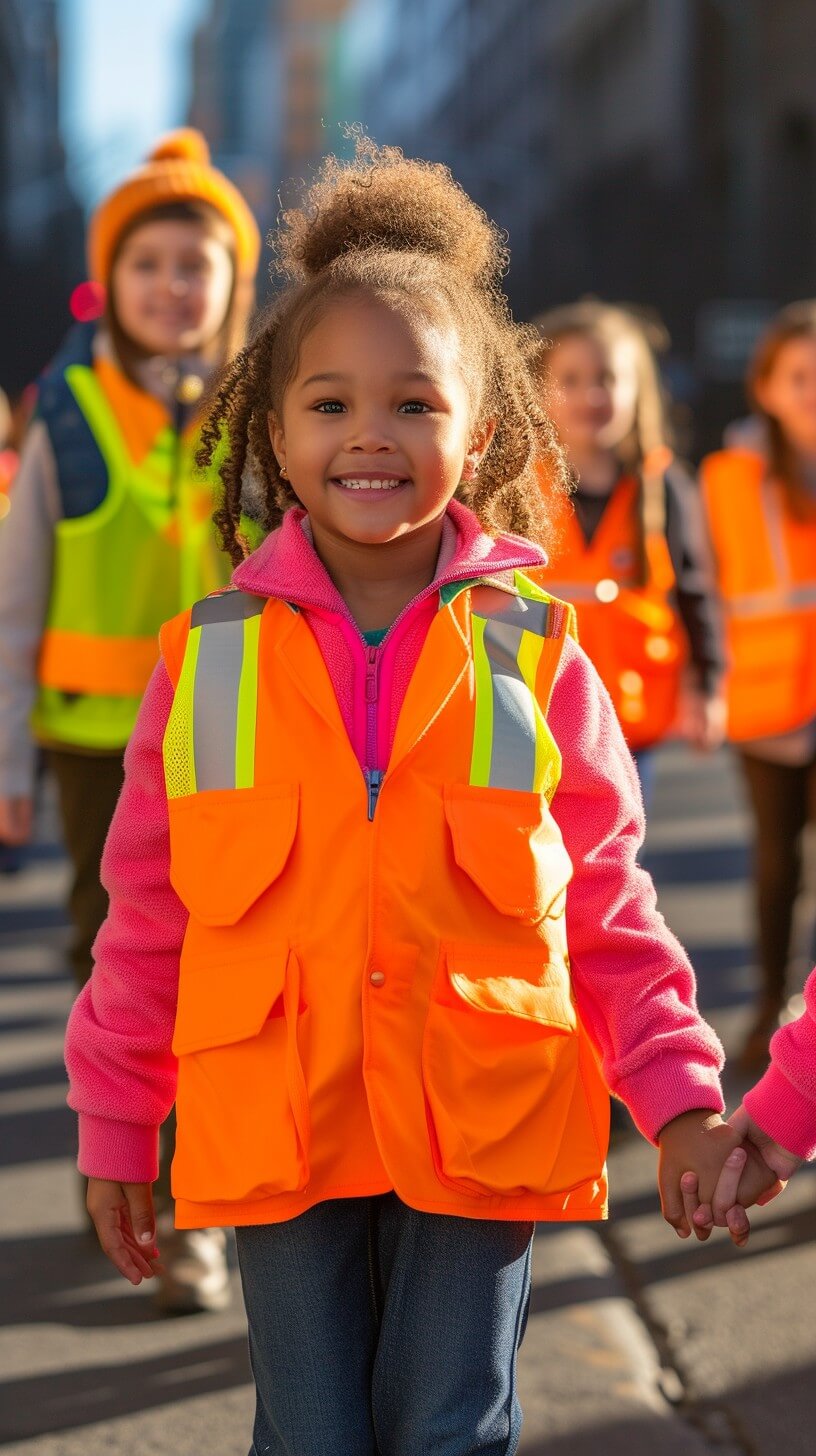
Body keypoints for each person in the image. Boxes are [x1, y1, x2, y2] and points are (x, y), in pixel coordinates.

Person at [64, 138, 775, 1455]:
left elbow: (611, 898)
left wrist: (679, 1102)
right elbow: (145, 917)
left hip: (484, 1124)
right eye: (328, 405)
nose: (370, 438)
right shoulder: (207, 658)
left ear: (484, 427)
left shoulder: (539, 656)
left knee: (450, 1431)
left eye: (415, 404)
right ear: (271, 427)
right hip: (279, 1130)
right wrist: (118, 1121)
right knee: (314, 1437)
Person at [0, 128, 261, 1311]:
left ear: (229, 285)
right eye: (149, 261)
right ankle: (121, 1170)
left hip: (232, 732)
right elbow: (16, 598)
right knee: (115, 961)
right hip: (91, 740)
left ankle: (193, 1206)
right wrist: (7, 747)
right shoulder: (58, 408)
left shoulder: (262, 405)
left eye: (196, 264)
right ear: (112, 279)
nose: (174, 285)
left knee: (224, 969)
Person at [531, 302, 726, 807]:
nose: (591, 395)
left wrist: (707, 686)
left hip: (629, 719)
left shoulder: (663, 488)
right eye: (569, 379)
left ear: (637, 389)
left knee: (613, 860)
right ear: (536, 390)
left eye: (607, 378)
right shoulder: (517, 489)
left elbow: (693, 591)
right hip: (534, 712)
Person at [699, 304, 816, 1072]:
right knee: (779, 863)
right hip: (770, 702)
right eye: (800, 377)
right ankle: (774, 1007)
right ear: (767, 387)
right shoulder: (727, 476)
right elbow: (704, 584)